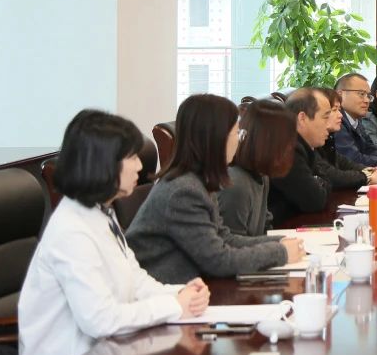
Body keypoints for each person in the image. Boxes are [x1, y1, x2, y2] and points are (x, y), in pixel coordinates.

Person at [17, 109, 211, 355]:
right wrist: (173, 306)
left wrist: (180, 293)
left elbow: (136, 281)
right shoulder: (71, 231)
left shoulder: (100, 213)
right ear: (103, 163)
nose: (140, 166)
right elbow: (100, 320)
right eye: (131, 157)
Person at [128, 95, 302, 283]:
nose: (239, 141)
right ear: (216, 138)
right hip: (169, 292)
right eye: (237, 133)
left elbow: (225, 238)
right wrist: (280, 252)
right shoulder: (183, 191)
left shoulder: (199, 181)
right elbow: (218, 260)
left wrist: (280, 241)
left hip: (192, 287)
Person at [218, 100, 295, 236]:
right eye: (286, 139)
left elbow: (266, 226)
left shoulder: (262, 176)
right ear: (269, 142)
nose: (290, 146)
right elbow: (232, 242)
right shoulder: (236, 184)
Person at [269, 87, 337, 223]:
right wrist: (318, 182)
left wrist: (318, 181)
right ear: (302, 118)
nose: (328, 125)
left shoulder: (303, 144)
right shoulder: (287, 149)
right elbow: (315, 200)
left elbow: (327, 181)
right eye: (325, 117)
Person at [317, 87, 377, 190]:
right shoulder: (304, 145)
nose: (340, 115)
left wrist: (371, 170)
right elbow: (332, 175)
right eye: (334, 110)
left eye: (339, 110)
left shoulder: (329, 138)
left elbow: (344, 162)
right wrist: (368, 177)